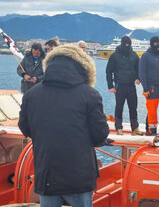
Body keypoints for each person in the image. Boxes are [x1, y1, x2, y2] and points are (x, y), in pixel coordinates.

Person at [18, 45, 109, 207]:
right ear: (83, 68)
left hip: (47, 174)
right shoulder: (89, 95)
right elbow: (100, 135)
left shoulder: (31, 94)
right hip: (79, 176)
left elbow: (24, 127)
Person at [106, 35, 142, 136]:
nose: (127, 47)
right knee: (119, 107)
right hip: (119, 85)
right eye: (125, 45)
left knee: (133, 107)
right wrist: (110, 86)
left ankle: (135, 128)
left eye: (129, 45)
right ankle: (119, 128)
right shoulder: (114, 56)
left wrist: (138, 78)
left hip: (131, 85)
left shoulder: (134, 55)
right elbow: (109, 71)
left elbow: (138, 68)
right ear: (122, 44)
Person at [139, 36, 159, 136]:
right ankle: (151, 130)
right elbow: (142, 73)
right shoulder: (145, 56)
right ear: (152, 43)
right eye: (155, 43)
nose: (157, 45)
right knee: (152, 111)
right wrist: (145, 88)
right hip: (152, 88)